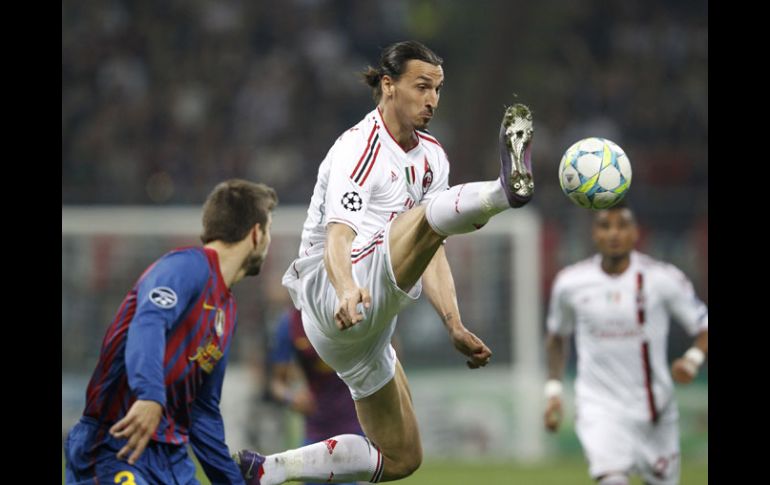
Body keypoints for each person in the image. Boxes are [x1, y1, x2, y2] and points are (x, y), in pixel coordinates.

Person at [234, 40, 534, 484]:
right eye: (422, 86)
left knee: (401, 457)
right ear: (389, 85)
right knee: (424, 219)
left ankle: (270, 470)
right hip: (333, 292)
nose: (432, 99)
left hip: (367, 334)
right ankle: (502, 191)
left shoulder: (432, 157)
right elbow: (338, 236)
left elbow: (431, 244)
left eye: (438, 89)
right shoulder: (359, 148)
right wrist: (345, 288)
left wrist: (453, 323)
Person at [64, 179, 278, 485]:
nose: (268, 240)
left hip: (173, 462)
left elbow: (202, 411)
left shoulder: (226, 309)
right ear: (256, 233)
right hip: (116, 445)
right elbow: (149, 323)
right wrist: (150, 395)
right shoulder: (185, 267)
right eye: (268, 229)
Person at [542, 202, 708, 485]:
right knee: (612, 479)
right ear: (594, 234)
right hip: (599, 407)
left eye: (622, 225)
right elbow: (557, 336)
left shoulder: (663, 279)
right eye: (605, 226)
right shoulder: (570, 283)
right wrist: (554, 391)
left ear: (635, 232)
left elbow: (703, 325)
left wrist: (692, 360)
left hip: (654, 411)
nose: (614, 233)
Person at [267, 308, 365, 485]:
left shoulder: (351, 310)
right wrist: (291, 398)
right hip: (316, 428)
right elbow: (277, 383)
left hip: (355, 424)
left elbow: (389, 354)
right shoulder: (291, 323)